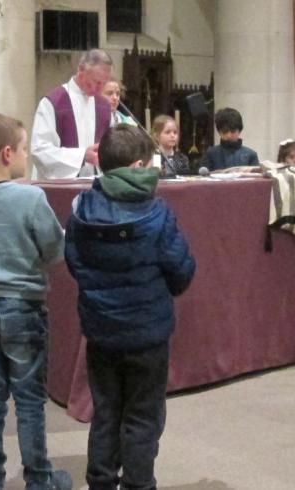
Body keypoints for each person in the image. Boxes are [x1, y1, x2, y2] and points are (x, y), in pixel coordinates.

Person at [66, 124, 196, 490]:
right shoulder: (157, 213)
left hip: (101, 332)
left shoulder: (81, 209)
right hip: (147, 335)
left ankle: (101, 482)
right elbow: (182, 270)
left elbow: (74, 263)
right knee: (142, 415)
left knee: (106, 411)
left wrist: (99, 293)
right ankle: (139, 484)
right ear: (138, 165)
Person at [0, 113, 74, 490]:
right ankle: (38, 478)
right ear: (7, 154)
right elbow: (55, 249)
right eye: (24, 148)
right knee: (29, 399)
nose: (27, 155)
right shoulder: (30, 197)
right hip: (23, 306)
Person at [31, 49, 114, 179]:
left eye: (103, 84)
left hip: (96, 184)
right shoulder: (53, 103)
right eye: (96, 82)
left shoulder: (104, 107)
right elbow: (40, 150)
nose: (99, 89)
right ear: (81, 69)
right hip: (61, 186)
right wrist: (82, 156)